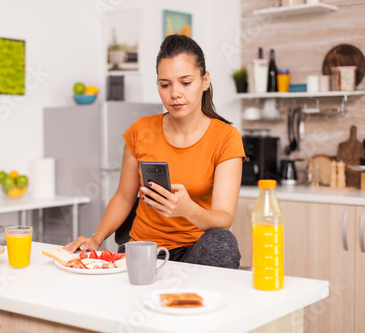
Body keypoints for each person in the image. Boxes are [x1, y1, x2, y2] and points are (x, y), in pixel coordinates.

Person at [64, 34, 246, 269]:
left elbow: (224, 217)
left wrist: (187, 209)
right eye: (165, 84)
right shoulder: (140, 130)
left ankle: (192, 300)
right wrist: (97, 237)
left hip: (196, 251)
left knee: (223, 241)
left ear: (205, 80)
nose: (175, 94)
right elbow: (123, 196)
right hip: (144, 250)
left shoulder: (226, 137)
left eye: (185, 82)